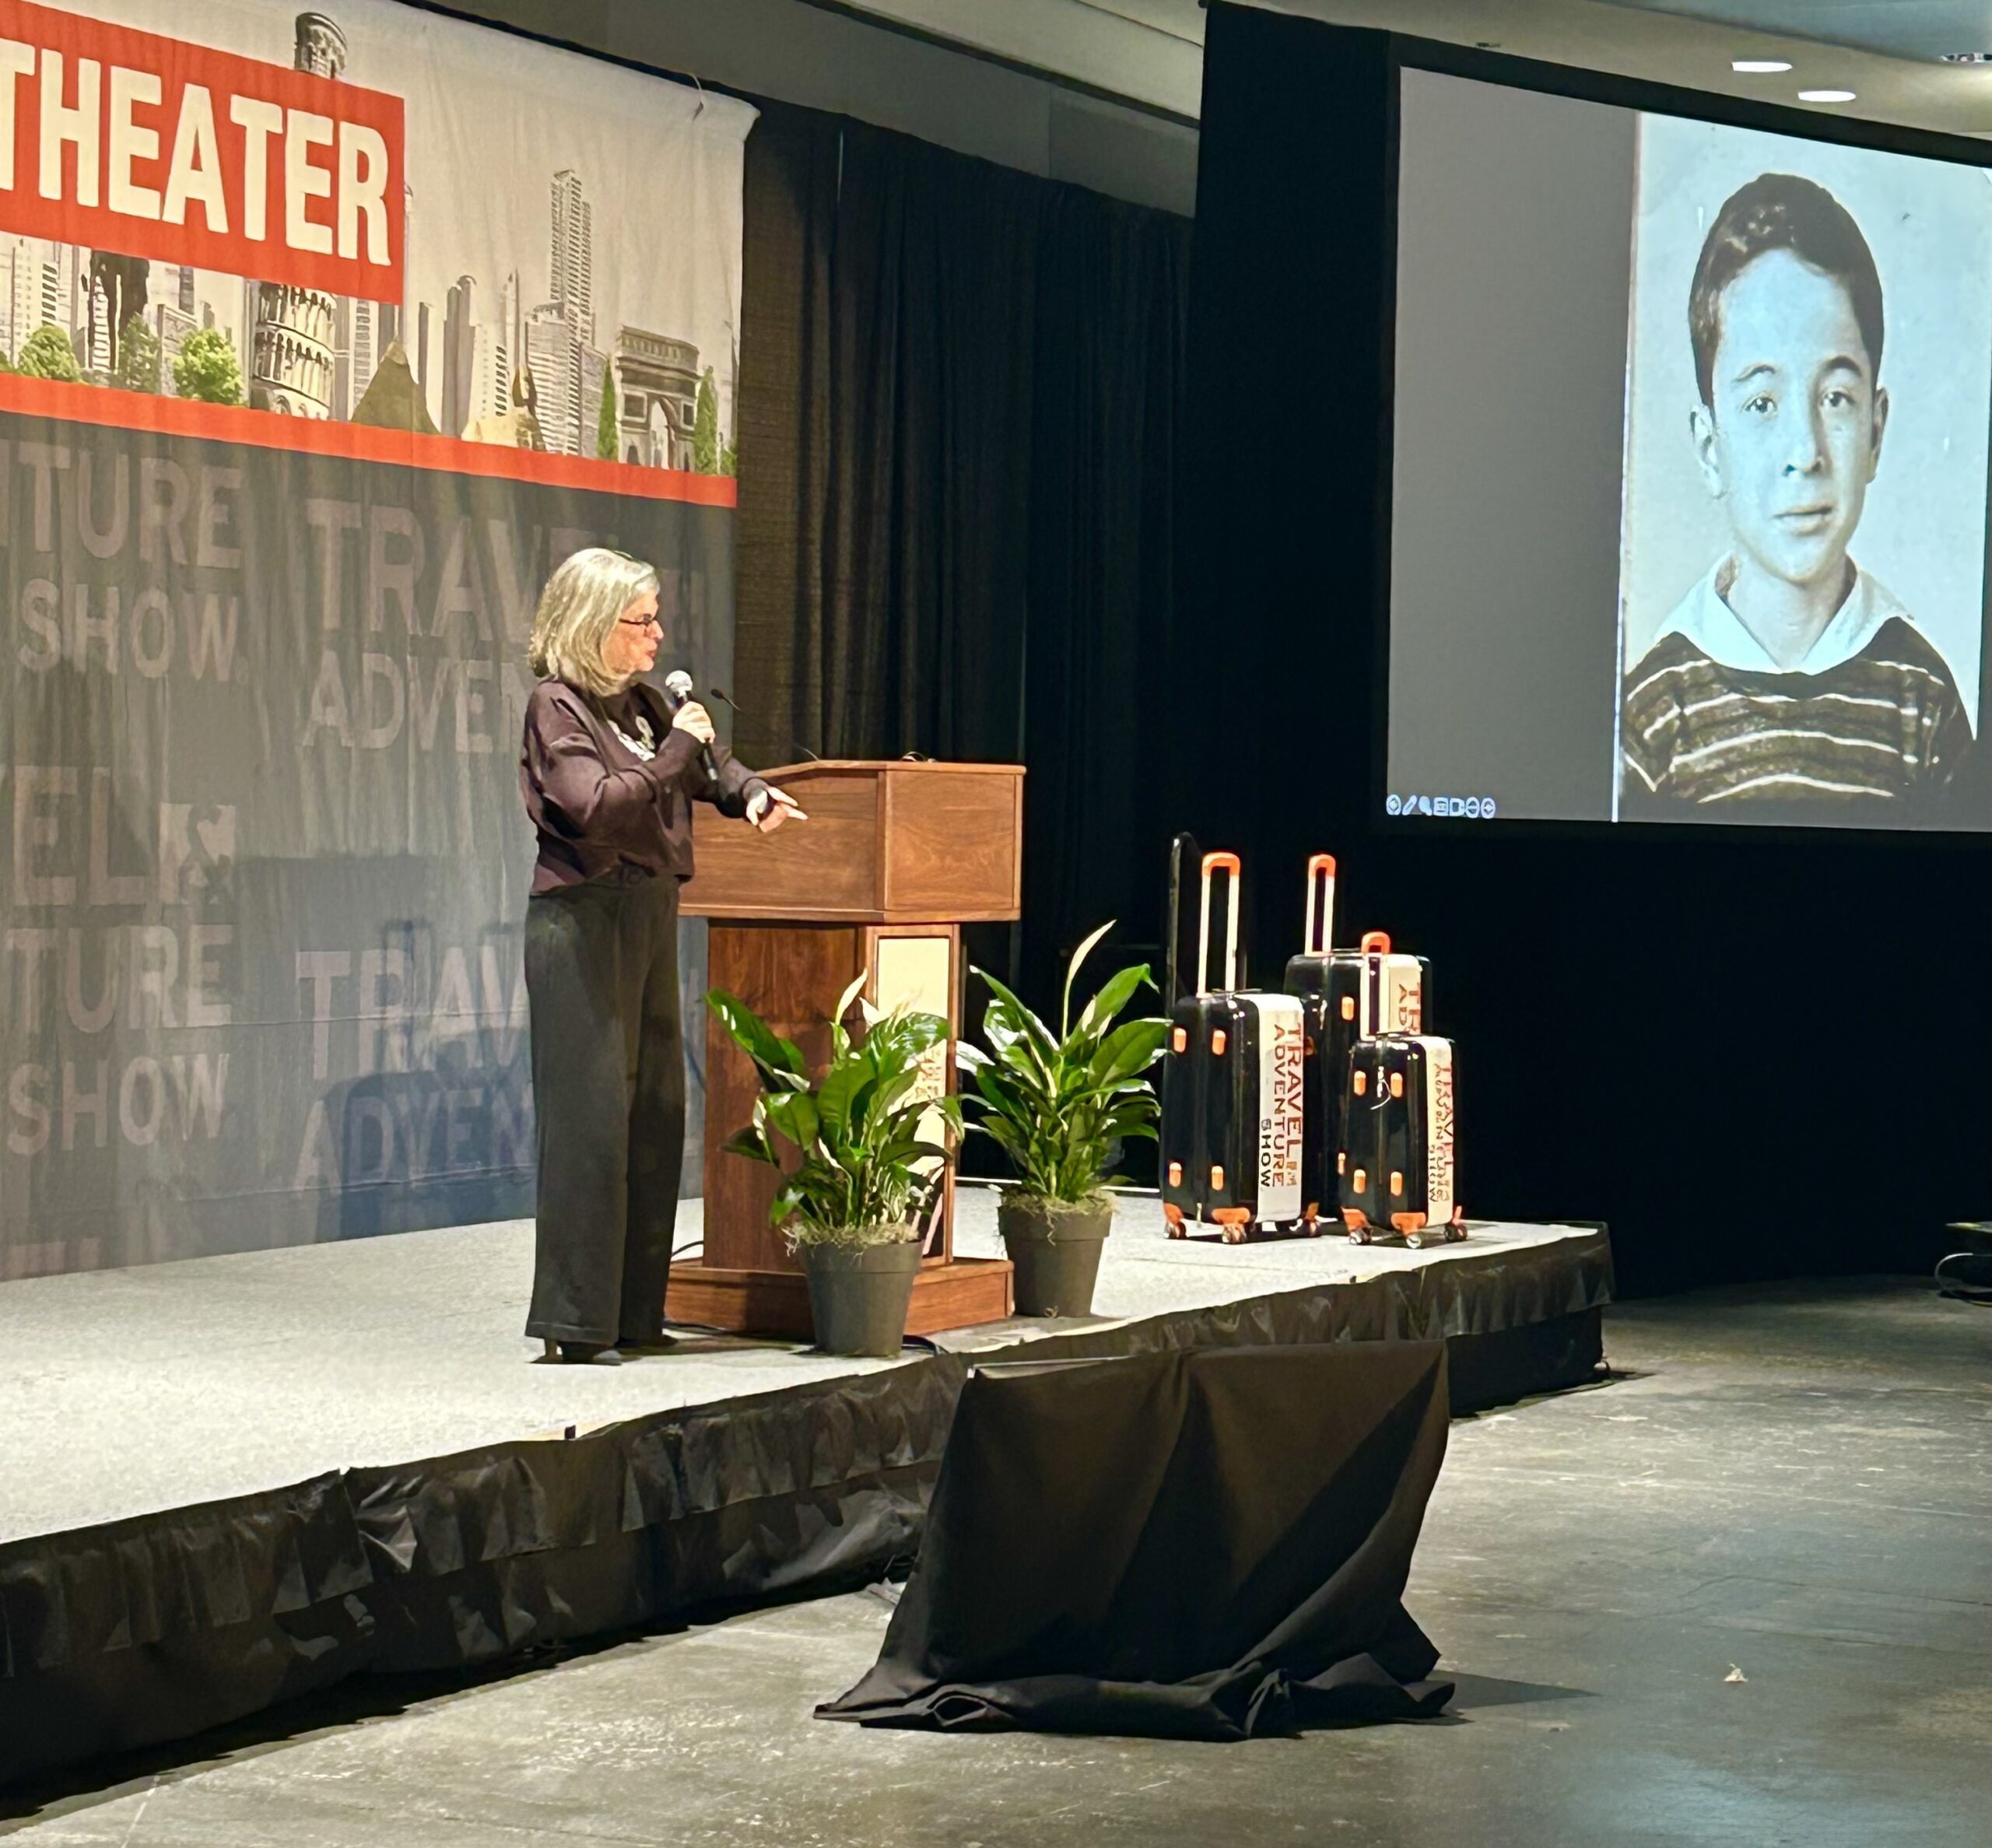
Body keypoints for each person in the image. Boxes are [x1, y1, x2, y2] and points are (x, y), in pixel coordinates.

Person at [519, 549, 805, 1363]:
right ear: (593, 625)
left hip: (647, 911)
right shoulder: (558, 708)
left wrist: (748, 792)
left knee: (651, 1118)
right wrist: (679, 750)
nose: (657, 635)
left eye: (654, 619)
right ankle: (577, 1325)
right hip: (581, 922)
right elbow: (599, 806)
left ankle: (635, 1313)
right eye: (640, 621)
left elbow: (702, 766)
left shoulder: (640, 705)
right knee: (591, 1123)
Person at [1621, 171, 1973, 817]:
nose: (1805, 452)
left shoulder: (1923, 700)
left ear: (1874, 430)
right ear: (1709, 446)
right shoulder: (1652, 712)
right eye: (1761, 402)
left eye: (1835, 398)